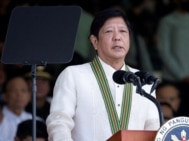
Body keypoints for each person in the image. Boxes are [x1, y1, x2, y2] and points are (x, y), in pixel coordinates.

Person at [46, 8, 160, 141]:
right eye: (109, 31)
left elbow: (152, 128)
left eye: (123, 31)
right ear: (95, 41)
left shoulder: (143, 80)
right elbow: (59, 122)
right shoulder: (73, 75)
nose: (117, 37)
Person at [0, 75, 35, 141]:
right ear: (4, 96)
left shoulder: (36, 121)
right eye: (14, 90)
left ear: (29, 96)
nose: (19, 94)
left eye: (23, 90)